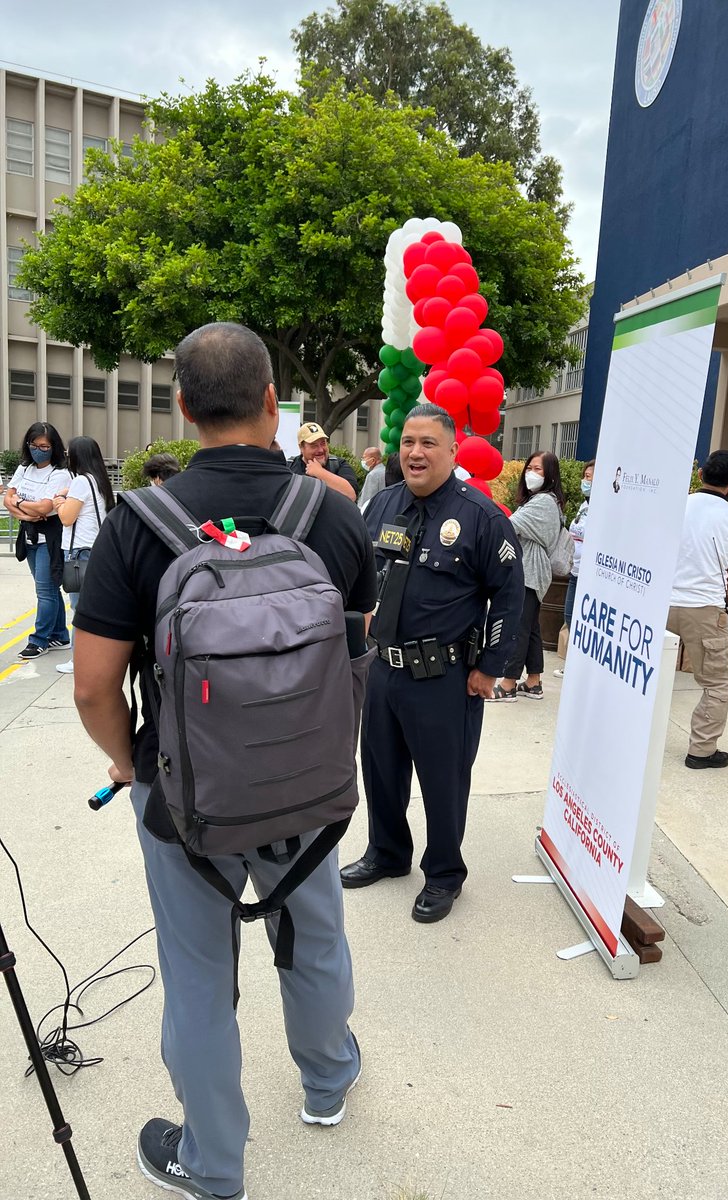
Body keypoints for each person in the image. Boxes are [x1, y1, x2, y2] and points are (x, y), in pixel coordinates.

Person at [72, 323, 377, 1200]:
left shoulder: (140, 525)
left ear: (180, 407)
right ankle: (327, 1083)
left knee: (199, 974)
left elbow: (95, 686)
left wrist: (131, 763)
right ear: (275, 402)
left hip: (183, 796)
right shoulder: (332, 512)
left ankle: (212, 1163)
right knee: (312, 934)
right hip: (307, 789)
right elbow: (351, 654)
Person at [341, 403, 524, 923]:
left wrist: (490, 667)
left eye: (428, 444)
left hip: (445, 677)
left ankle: (444, 874)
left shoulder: (481, 516)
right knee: (379, 770)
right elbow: (361, 576)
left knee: (443, 781)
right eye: (408, 443)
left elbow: (508, 598)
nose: (415, 453)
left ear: (451, 450)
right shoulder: (383, 506)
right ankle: (387, 853)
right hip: (384, 668)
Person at [668, 450, 728, 769]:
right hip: (704, 608)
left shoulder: (675, 506)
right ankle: (701, 750)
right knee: (716, 683)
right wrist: (725, 611)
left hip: (660, 604)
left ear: (701, 473)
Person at [488, 451, 565, 701]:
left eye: (539, 469)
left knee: (518, 627)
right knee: (530, 628)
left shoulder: (543, 502)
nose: (531, 473)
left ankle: (508, 683)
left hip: (530, 571)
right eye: (529, 468)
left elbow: (510, 525)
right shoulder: (543, 500)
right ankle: (533, 682)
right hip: (533, 571)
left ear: (550, 474)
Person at [3, 422, 71, 660]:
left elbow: (46, 507)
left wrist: (21, 504)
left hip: (49, 539)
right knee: (48, 590)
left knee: (45, 591)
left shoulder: (60, 474)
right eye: (34, 445)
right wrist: (27, 511)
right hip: (29, 535)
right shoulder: (25, 468)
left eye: (44, 446)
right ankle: (60, 635)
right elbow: (8, 500)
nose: (39, 449)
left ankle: (39, 640)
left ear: (54, 447)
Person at [51, 436, 113, 674]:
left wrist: (58, 503)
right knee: (95, 606)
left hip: (79, 552)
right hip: (96, 549)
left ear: (76, 457)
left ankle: (79, 660)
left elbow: (67, 518)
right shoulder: (99, 481)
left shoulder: (80, 482)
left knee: (80, 609)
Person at [553, 460, 594, 680]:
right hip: (575, 571)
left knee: (585, 622)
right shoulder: (584, 506)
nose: (586, 481)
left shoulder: (604, 509)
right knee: (570, 617)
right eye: (586, 476)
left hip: (590, 576)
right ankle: (573, 663)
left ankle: (582, 668)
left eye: (592, 477)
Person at [290, 422, 359, 500]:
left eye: (323, 443)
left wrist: (319, 472)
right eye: (314, 445)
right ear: (301, 447)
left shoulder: (339, 465)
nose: (320, 450)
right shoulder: (289, 467)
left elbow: (351, 495)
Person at [357, 446, 386, 511]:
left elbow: (366, 500)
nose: (362, 461)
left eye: (364, 458)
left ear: (373, 460)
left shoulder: (373, 475)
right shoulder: (384, 471)